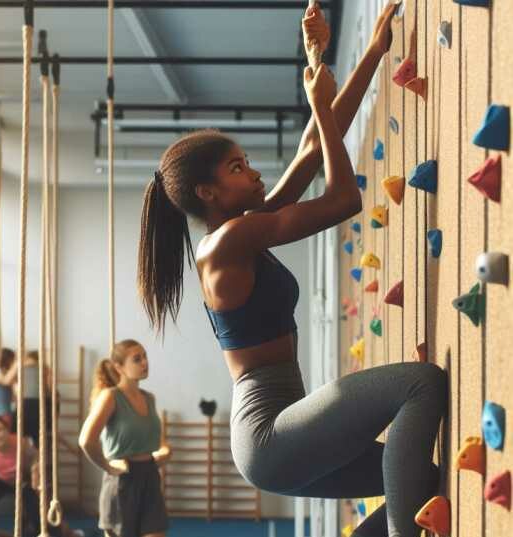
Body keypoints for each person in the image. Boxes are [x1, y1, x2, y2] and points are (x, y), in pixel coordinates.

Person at [136, 5, 448, 537]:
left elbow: (311, 147)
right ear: (208, 193)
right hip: (269, 438)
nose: (253, 169)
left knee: (424, 482)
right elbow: (344, 199)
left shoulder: (242, 226)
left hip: (276, 437)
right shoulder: (226, 243)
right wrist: (319, 104)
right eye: (238, 167)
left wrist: (363, 54)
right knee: (421, 384)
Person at [79, 340, 171, 537]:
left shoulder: (149, 398)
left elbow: (159, 442)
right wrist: (107, 466)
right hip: (122, 481)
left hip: (150, 477)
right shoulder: (110, 397)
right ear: (119, 367)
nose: (145, 362)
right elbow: (86, 440)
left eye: (145, 356)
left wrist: (165, 451)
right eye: (137, 359)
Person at [0, 348, 16, 426]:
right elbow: (6, 381)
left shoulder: (5, 373)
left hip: (5, 411)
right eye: (13, 360)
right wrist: (17, 365)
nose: (13, 362)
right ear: (8, 359)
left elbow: (12, 398)